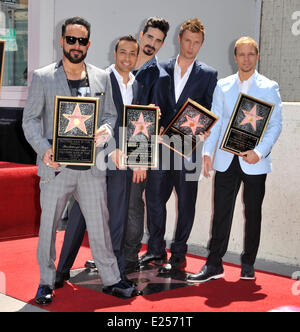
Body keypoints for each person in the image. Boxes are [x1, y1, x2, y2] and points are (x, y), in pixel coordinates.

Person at [22, 17, 136, 305]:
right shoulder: (44, 76)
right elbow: (30, 120)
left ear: (88, 44)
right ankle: (46, 282)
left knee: (100, 226)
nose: (76, 45)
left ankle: (111, 279)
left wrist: (107, 130)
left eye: (81, 40)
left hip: (91, 168)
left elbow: (110, 114)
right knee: (48, 228)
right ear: (61, 41)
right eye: (70, 40)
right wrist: (43, 148)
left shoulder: (100, 76)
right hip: (55, 168)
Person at [187, 36, 282, 283]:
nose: (246, 59)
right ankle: (214, 264)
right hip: (226, 160)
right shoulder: (223, 85)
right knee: (221, 213)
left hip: (254, 162)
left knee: (253, 214)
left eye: (251, 54)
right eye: (242, 54)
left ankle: (248, 263)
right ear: (235, 57)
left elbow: (275, 125)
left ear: (257, 56)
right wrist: (208, 152)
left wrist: (259, 152)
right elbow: (215, 122)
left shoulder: (269, 87)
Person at [54, 34, 146, 287]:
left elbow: (136, 124)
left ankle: (113, 276)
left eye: (132, 54)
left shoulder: (138, 86)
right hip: (96, 160)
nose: (127, 58)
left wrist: (140, 157)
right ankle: (61, 270)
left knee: (116, 218)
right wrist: (111, 147)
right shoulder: (96, 79)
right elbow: (86, 117)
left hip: (122, 165)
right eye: (123, 52)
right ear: (114, 54)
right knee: (79, 217)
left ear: (136, 57)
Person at [141, 18, 218, 273]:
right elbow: (149, 106)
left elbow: (208, 110)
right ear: (179, 39)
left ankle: (179, 252)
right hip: (161, 146)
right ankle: (155, 250)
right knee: (154, 199)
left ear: (202, 44)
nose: (191, 46)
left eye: (196, 43)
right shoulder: (159, 69)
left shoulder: (208, 74)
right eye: (187, 40)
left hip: (189, 149)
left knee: (186, 203)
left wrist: (202, 132)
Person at [124, 17, 171, 272]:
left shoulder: (160, 76)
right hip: (114, 147)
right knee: (116, 202)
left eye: (158, 40)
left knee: (139, 202)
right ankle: (114, 251)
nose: (152, 43)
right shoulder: (124, 65)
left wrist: (141, 157)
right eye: (150, 37)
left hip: (140, 148)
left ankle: (141, 254)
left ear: (163, 44)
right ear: (141, 34)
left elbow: (155, 118)